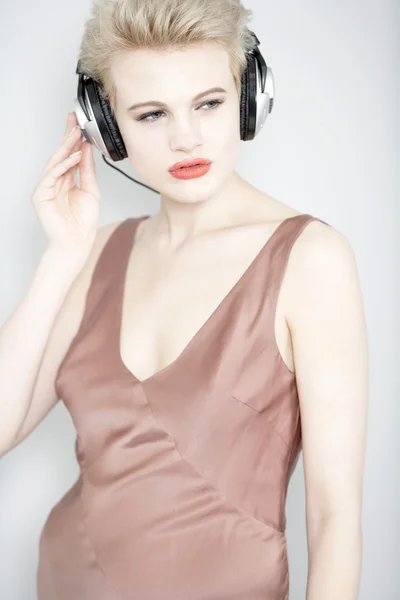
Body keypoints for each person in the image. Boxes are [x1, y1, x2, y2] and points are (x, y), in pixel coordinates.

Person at [0, 0, 368, 598]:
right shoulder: (96, 255)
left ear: (248, 98)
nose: (186, 136)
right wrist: (61, 255)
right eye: (150, 115)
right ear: (106, 127)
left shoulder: (310, 259)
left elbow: (334, 521)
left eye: (209, 102)